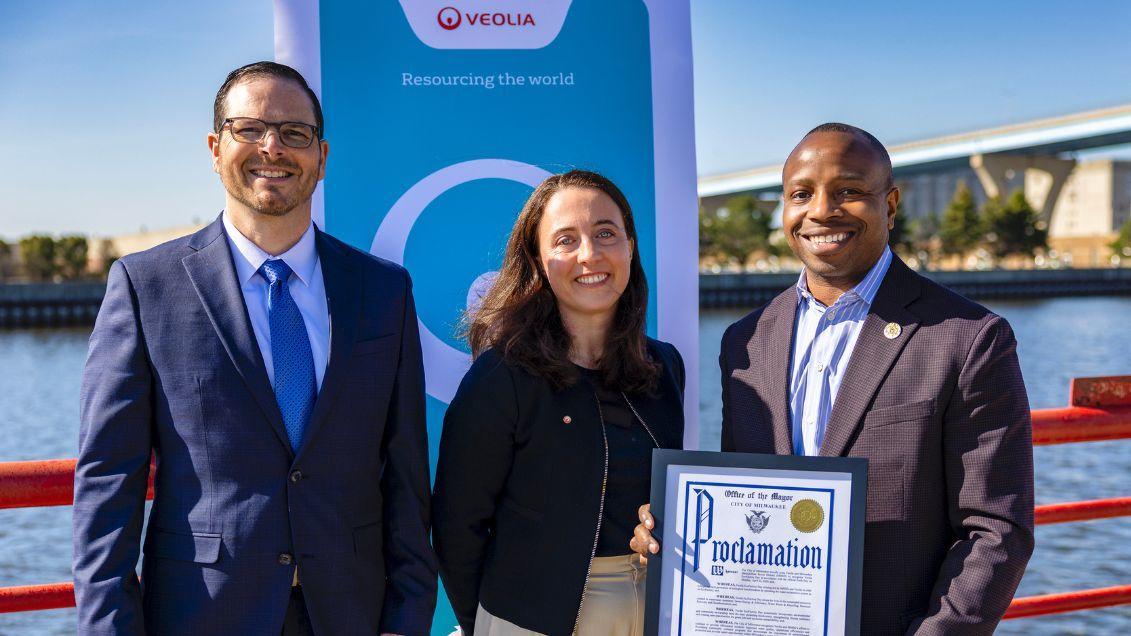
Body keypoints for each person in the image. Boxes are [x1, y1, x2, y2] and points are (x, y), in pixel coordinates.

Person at [72, 61, 437, 635]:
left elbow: (407, 474)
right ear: (216, 148)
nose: (273, 147)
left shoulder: (384, 291)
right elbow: (106, 486)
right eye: (250, 129)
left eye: (296, 134)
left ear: (322, 157)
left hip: (352, 614)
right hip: (202, 614)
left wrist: (408, 617)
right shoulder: (146, 287)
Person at [632, 124, 1034, 634]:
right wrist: (678, 532)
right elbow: (745, 496)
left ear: (889, 205)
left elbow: (997, 529)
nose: (821, 210)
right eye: (801, 194)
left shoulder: (969, 339)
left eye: (849, 191)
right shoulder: (746, 340)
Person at [432, 170, 685, 635]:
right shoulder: (500, 377)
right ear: (538, 259)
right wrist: (490, 626)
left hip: (656, 611)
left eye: (606, 233)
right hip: (530, 619)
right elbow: (456, 527)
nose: (590, 254)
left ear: (630, 245)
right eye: (566, 240)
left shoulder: (665, 366)